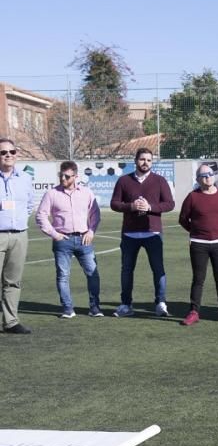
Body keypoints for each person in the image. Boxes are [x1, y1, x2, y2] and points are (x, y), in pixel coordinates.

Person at [110, 148, 175, 318]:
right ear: (136, 160)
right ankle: (125, 304)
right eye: (142, 159)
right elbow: (114, 204)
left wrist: (150, 207)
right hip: (129, 234)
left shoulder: (160, 181)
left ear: (152, 162)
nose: (145, 162)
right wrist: (130, 206)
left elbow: (169, 204)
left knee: (158, 269)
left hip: (152, 233)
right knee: (127, 270)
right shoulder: (124, 181)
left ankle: (161, 303)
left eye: (149, 160)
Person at [35, 161, 102, 318]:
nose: (63, 178)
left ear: (76, 176)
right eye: (61, 175)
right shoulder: (51, 194)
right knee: (63, 276)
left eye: (67, 176)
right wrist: (54, 234)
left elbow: (95, 214)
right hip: (62, 241)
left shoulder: (86, 193)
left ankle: (95, 308)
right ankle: (67, 309)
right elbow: (41, 215)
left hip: (84, 239)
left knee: (93, 273)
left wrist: (91, 231)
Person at [177, 164, 218, 326]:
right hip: (199, 244)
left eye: (210, 174)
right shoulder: (192, 197)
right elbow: (183, 219)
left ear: (214, 176)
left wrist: (217, 231)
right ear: (197, 179)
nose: (207, 177)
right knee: (198, 279)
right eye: (203, 175)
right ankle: (194, 311)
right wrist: (196, 232)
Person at [0, 138, 33, 334]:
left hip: (20, 235)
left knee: (13, 281)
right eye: (3, 152)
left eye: (12, 152)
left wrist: (18, 220)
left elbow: (29, 204)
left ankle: (11, 322)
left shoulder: (25, 178)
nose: (8, 156)